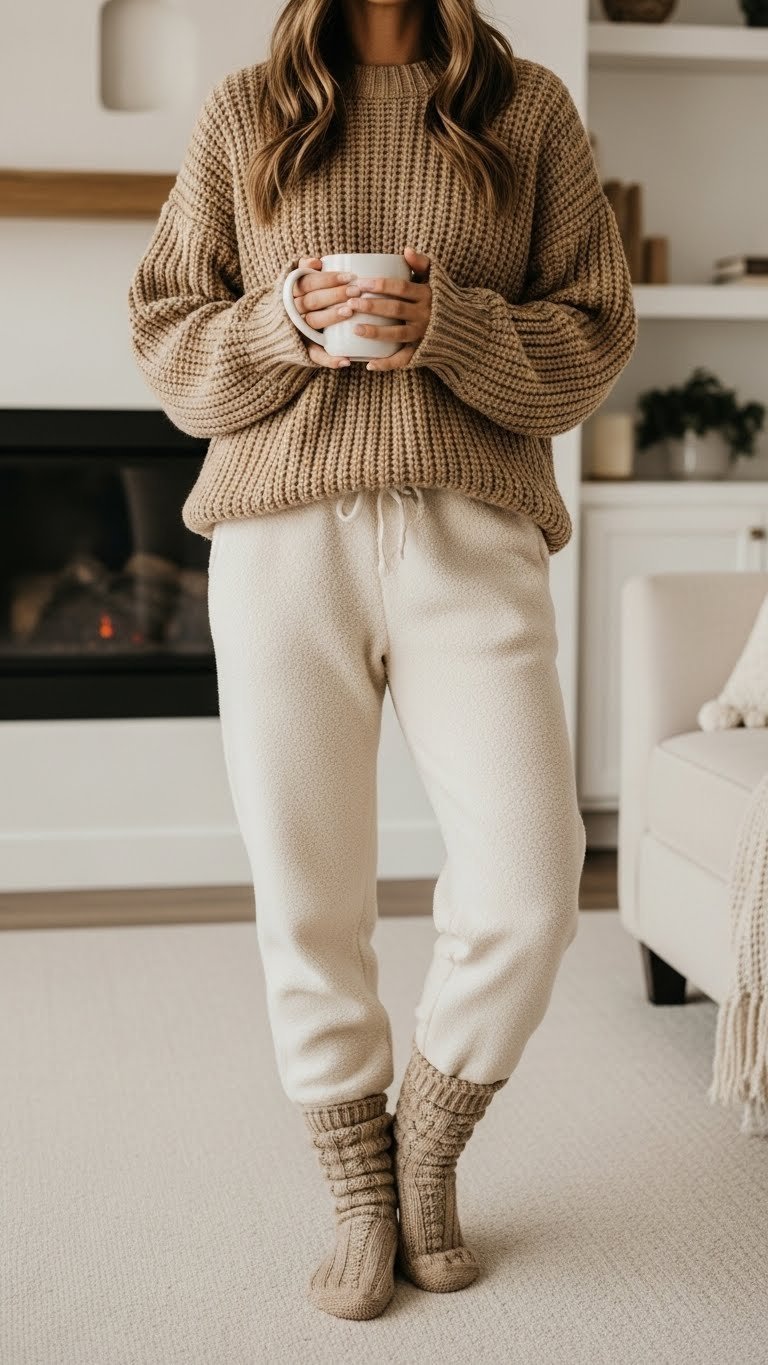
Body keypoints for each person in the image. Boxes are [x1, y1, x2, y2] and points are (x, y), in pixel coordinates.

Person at [128, 0, 637, 1324]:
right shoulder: (250, 111)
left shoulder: (525, 112)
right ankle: (361, 1195)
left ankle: (427, 1144)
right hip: (280, 538)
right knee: (310, 892)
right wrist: (284, 321)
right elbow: (169, 333)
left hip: (474, 534)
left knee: (533, 882)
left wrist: (448, 327)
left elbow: (594, 330)